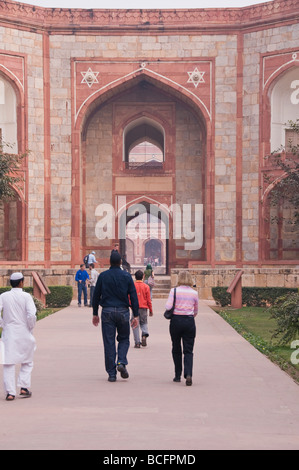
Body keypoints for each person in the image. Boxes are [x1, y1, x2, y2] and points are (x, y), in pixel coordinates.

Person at [92, 252, 139, 382]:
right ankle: (121, 362)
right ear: (120, 263)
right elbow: (133, 296)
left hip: (107, 311)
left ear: (110, 262)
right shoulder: (126, 276)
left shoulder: (103, 276)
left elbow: (96, 296)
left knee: (109, 342)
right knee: (124, 339)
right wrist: (136, 315)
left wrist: (95, 313)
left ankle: (112, 374)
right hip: (123, 311)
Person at [0, 272, 36, 401]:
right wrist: (30, 327)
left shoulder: (3, 296)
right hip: (24, 331)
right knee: (27, 360)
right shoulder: (26, 296)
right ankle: (23, 387)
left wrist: (4, 324)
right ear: (21, 282)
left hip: (9, 332)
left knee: (8, 363)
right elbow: (31, 315)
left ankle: (10, 392)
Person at [165, 271, 198, 386]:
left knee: (176, 348)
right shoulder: (194, 293)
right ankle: (188, 374)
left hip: (176, 321)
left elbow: (168, 306)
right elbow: (196, 310)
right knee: (188, 350)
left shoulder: (174, 291)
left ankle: (177, 375)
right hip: (189, 321)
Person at [131, 270, 153, 348]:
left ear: (135, 277)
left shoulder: (132, 285)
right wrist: (150, 310)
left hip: (135, 308)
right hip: (144, 308)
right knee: (144, 322)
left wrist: (130, 306)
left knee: (135, 325)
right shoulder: (146, 286)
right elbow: (148, 300)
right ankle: (144, 333)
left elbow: (129, 298)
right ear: (143, 276)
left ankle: (137, 342)